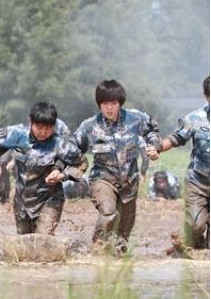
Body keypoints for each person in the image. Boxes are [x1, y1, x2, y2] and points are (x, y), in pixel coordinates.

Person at [71, 80, 161, 253]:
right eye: (105, 104)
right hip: (102, 180)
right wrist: (65, 169)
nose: (109, 108)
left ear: (120, 103)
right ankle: (97, 251)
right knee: (108, 212)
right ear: (99, 105)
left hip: (130, 181)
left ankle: (117, 261)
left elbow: (152, 131)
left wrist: (154, 147)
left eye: (113, 103)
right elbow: (72, 148)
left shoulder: (136, 118)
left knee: (123, 232)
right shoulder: (89, 126)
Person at [0, 102, 87, 235]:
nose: (43, 132)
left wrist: (62, 175)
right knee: (24, 244)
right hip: (22, 202)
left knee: (43, 239)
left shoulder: (60, 144)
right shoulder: (17, 134)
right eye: (39, 127)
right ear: (31, 122)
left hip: (49, 200)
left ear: (53, 127)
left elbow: (82, 163)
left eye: (48, 128)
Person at [153, 76, 209, 248]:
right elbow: (176, 138)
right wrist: (157, 147)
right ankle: (193, 242)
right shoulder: (194, 118)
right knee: (195, 226)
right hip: (198, 182)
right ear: (207, 97)